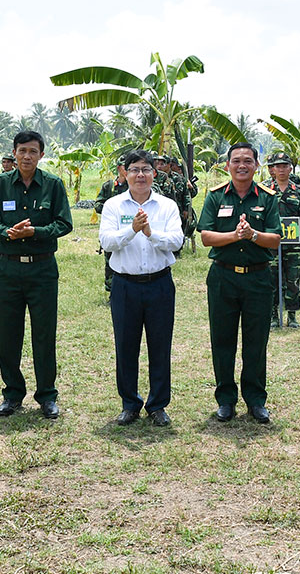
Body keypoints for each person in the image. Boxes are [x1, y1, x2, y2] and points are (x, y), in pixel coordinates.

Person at [0, 130, 74, 418]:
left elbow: (64, 223)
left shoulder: (53, 185)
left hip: (42, 268)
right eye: (22, 150)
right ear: (14, 152)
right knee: (9, 333)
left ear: (41, 155)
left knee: (44, 334)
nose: (26, 156)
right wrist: (5, 232)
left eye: (32, 151)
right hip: (9, 268)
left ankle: (47, 395)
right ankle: (12, 394)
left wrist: (37, 231)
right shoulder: (0, 184)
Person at [197, 142, 282, 423]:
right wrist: (236, 235)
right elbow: (206, 236)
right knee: (222, 340)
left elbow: (275, 239)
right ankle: (225, 400)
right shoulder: (215, 196)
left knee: (256, 342)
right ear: (227, 165)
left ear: (256, 166)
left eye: (248, 160)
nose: (242, 165)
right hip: (223, 277)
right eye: (236, 161)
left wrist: (253, 235)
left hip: (258, 278)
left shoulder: (268, 198)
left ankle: (256, 400)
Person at [99, 150, 184, 426]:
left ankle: (158, 405)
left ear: (154, 174)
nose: (140, 175)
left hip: (159, 283)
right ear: (125, 173)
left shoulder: (167, 206)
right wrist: (132, 230)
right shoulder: (114, 206)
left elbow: (176, 241)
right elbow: (108, 242)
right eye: (134, 169)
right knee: (126, 346)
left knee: (160, 345)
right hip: (125, 286)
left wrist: (150, 233)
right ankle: (130, 404)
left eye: (146, 169)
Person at [264, 151, 300, 329]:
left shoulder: (299, 192)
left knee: (293, 279)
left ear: (290, 168)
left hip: (293, 243)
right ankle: (274, 314)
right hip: (271, 243)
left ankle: (292, 315)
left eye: (284, 166)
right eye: (277, 166)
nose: (281, 169)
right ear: (272, 169)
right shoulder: (265, 190)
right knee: (272, 278)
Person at [94, 156, 129, 294]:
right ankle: (111, 291)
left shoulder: (132, 187)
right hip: (112, 228)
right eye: (125, 167)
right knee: (110, 262)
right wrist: (110, 210)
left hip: (128, 227)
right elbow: (98, 204)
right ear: (119, 168)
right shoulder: (109, 186)